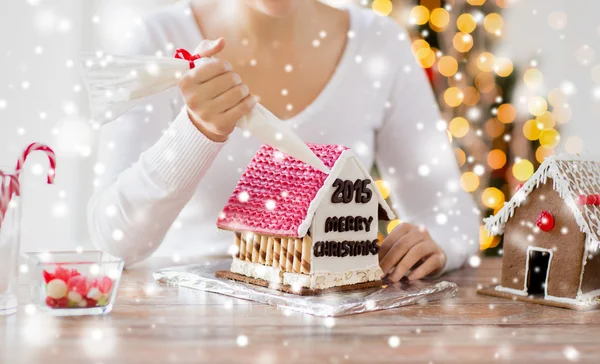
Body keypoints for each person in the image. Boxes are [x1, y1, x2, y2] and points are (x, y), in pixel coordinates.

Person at [88, 0, 479, 282]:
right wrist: (196, 132)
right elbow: (116, 241)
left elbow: (449, 213)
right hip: (185, 324)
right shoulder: (160, 41)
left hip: (338, 329)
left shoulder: (380, 43)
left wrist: (436, 242)